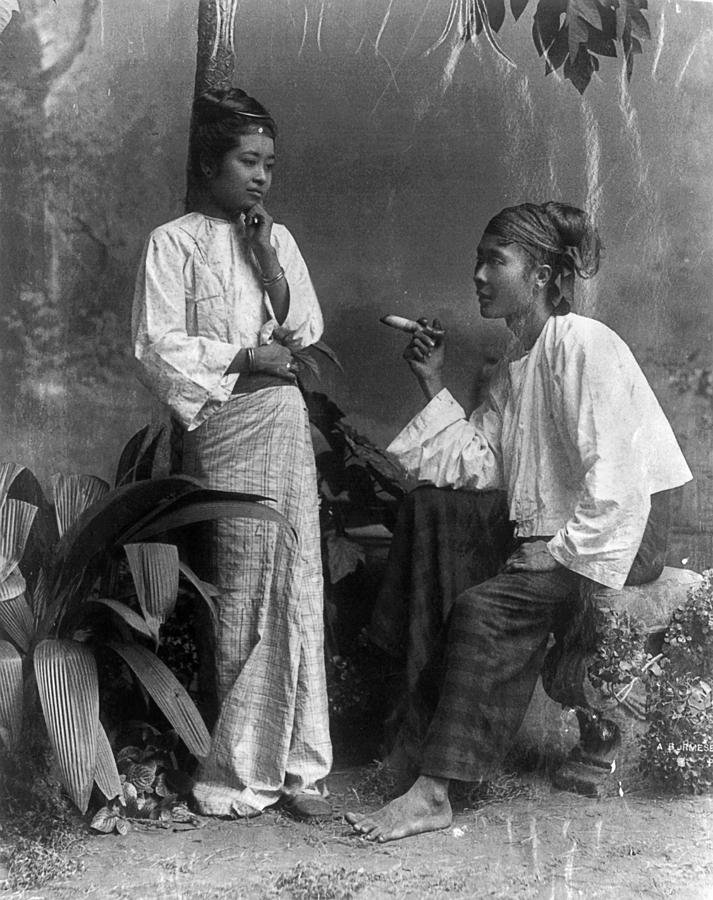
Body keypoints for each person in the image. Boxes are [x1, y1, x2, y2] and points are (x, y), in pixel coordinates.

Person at [346, 201, 692, 842]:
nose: (477, 274)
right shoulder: (517, 361)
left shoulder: (584, 345)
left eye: (493, 260)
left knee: (484, 607)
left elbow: (618, 481)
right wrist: (430, 380)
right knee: (429, 509)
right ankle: (409, 738)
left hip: (626, 532)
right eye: (478, 260)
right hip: (566, 521)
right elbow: (483, 468)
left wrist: (558, 554)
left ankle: (435, 792)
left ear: (538, 276)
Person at [132, 88, 332, 820]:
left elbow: (301, 330)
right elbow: (158, 346)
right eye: (247, 161)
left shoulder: (273, 240)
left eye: (269, 165)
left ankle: (302, 765)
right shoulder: (172, 241)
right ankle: (245, 764)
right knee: (246, 584)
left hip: (281, 419)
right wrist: (248, 353)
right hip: (225, 424)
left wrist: (261, 257)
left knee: (297, 576)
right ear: (210, 163)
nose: (260, 177)